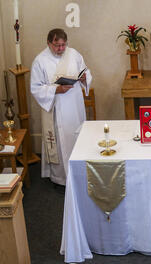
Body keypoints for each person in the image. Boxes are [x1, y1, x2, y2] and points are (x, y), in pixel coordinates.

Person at [31, 28, 92, 186]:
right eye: (57, 45)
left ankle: (80, 173)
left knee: (77, 136)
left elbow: (85, 71)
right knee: (61, 141)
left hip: (75, 106)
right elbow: (36, 88)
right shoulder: (40, 60)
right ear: (49, 43)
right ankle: (61, 178)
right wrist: (55, 89)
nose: (61, 49)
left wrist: (85, 78)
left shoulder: (74, 54)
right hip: (56, 108)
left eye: (63, 45)